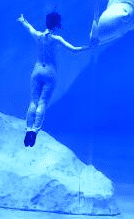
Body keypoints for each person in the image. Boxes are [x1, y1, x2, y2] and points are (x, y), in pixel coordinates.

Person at [17, 11, 88, 147]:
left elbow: (29, 28)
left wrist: (22, 20)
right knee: (42, 102)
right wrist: (88, 47)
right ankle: (35, 131)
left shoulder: (38, 36)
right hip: (50, 72)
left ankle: (28, 129)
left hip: (37, 70)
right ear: (57, 25)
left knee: (33, 101)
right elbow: (74, 49)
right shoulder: (57, 39)